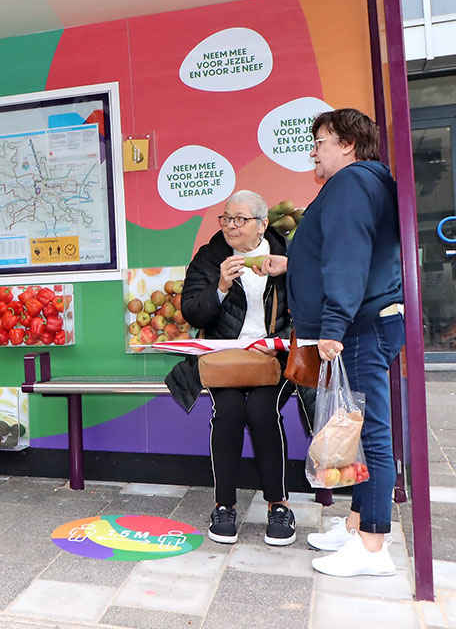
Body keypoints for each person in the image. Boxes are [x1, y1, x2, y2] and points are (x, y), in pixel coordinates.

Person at [267, 108, 404, 577]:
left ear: (346, 143)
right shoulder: (365, 182)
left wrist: (332, 326)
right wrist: (293, 267)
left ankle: (372, 547)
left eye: (320, 141)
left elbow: (348, 255)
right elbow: (338, 249)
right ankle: (354, 526)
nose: (314, 150)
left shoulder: (350, 182)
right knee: (359, 428)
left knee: (372, 434)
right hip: (362, 321)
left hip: (359, 324)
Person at [166, 190, 310, 546]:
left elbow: (313, 297)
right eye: (226, 218)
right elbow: (192, 312)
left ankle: (278, 505)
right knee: (228, 412)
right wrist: (220, 286)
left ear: (262, 223)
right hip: (225, 358)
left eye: (240, 219)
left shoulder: (288, 251)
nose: (231, 226)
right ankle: (224, 505)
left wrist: (290, 270)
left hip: (274, 358)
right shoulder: (211, 255)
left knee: (262, 411)